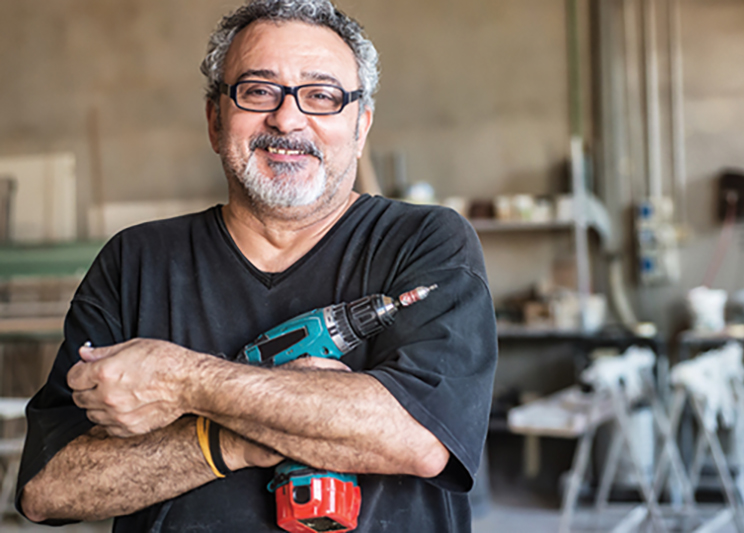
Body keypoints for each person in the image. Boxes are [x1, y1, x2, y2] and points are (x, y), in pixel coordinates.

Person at [16, 0, 497, 531]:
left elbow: (421, 439)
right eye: (258, 91)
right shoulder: (136, 261)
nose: (287, 118)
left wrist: (185, 381)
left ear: (360, 127)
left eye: (321, 95)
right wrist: (227, 439)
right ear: (215, 120)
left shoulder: (426, 241)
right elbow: (49, 489)